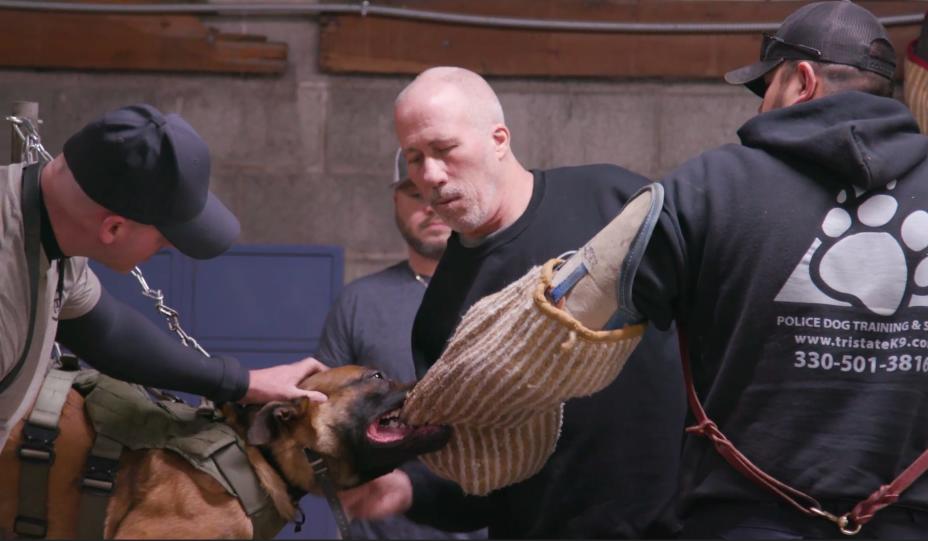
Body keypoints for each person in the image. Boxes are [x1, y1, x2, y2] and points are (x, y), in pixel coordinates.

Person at [403, 2, 928, 538]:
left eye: (765, 89)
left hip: (751, 520)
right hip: (924, 518)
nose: (759, 107)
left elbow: (564, 314)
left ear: (802, 82)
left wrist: (398, 421)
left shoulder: (712, 188)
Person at [340, 66, 687, 538]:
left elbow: (719, 332)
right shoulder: (441, 312)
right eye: (415, 157)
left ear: (498, 139)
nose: (431, 176)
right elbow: (479, 474)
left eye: (444, 150)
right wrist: (409, 491)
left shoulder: (611, 202)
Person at [0, 104, 328, 451]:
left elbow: (103, 330)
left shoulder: (46, 222)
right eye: (164, 239)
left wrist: (241, 382)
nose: (167, 247)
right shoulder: (7, 289)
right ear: (113, 228)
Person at [314, 149, 485, 540]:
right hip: (385, 530)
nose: (430, 206)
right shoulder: (359, 302)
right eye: (414, 193)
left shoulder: (506, 293)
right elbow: (320, 422)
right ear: (395, 200)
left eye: (439, 190)